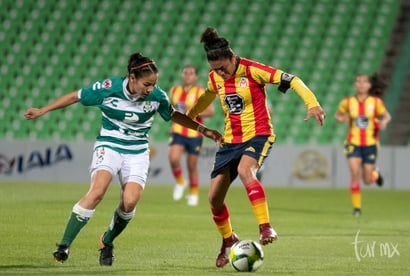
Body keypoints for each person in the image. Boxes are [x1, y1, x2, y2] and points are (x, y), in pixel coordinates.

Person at [24, 52, 223, 266]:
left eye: (154, 84)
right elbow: (76, 96)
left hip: (137, 151)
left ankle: (106, 240)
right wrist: (43, 110)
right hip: (109, 145)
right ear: (132, 77)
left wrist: (204, 130)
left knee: (129, 202)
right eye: (147, 84)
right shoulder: (109, 88)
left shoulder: (157, 96)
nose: (150, 89)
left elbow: (173, 114)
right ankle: (64, 245)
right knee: (97, 191)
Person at [186, 27, 326, 268]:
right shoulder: (214, 78)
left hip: (258, 134)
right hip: (230, 141)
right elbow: (207, 97)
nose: (220, 72)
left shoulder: (252, 70)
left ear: (232, 56)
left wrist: (312, 104)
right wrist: (190, 116)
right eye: (215, 69)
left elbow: (291, 80)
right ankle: (229, 239)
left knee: (245, 171)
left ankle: (265, 226)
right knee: (214, 199)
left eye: (223, 67)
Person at [335, 73, 391, 217]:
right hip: (353, 143)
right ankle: (357, 208)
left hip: (370, 143)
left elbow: (386, 116)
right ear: (355, 84)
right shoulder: (347, 102)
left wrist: (383, 122)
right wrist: (342, 119)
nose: (361, 84)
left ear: (369, 85)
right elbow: (338, 115)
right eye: (358, 82)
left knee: (366, 180)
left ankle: (374, 174)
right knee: (354, 173)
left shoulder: (376, 102)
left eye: (364, 82)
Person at [169, 65, 214, 206]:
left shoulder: (200, 91)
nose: (188, 75)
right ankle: (181, 182)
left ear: (195, 77)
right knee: (173, 158)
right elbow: (171, 108)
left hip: (195, 132)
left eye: (191, 73)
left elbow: (210, 111)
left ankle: (193, 194)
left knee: (191, 165)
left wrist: (193, 111)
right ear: (182, 75)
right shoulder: (174, 90)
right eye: (185, 73)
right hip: (178, 129)